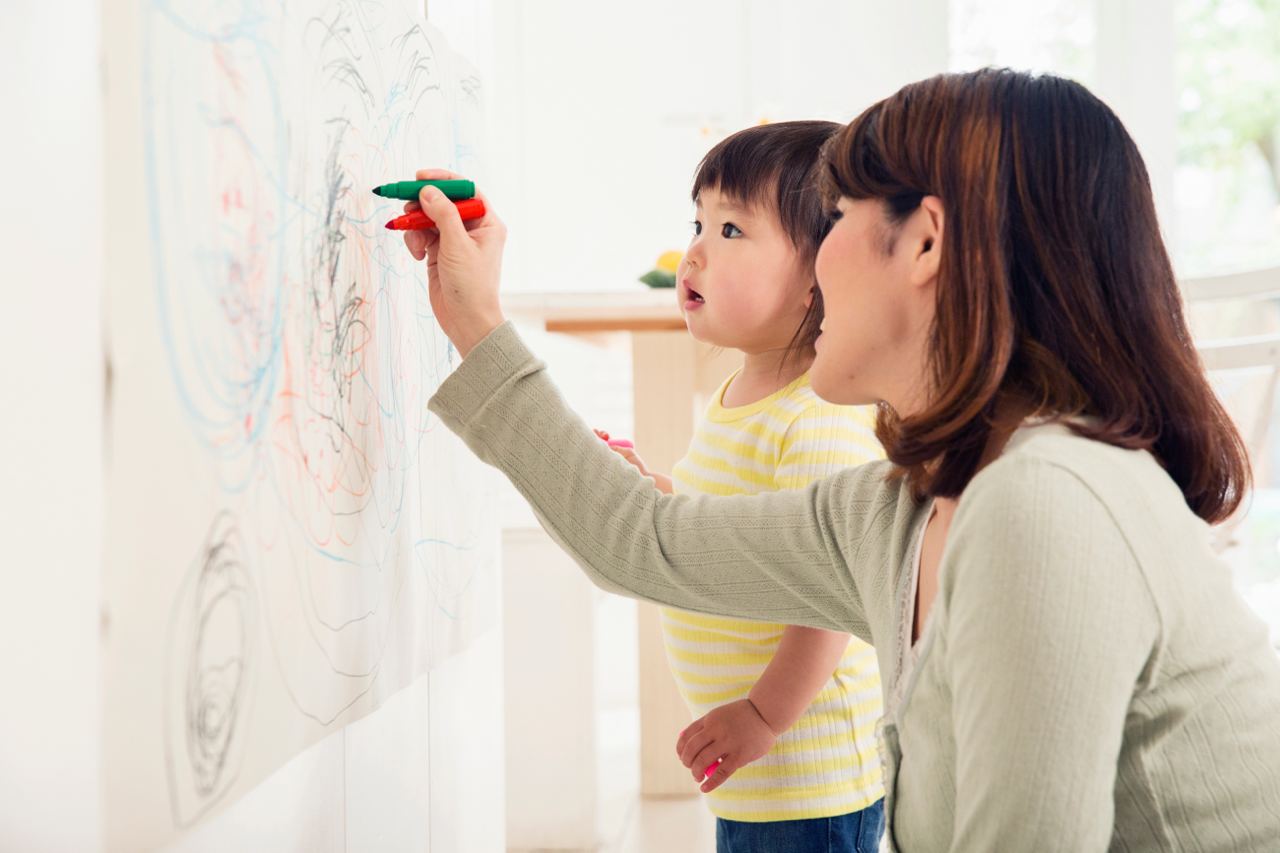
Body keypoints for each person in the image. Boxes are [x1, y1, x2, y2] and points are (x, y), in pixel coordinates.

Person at [406, 69, 1280, 850]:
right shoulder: (896, 507)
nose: (820, 261)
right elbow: (644, 542)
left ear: (924, 244)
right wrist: (476, 325)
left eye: (839, 218)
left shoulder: (1044, 502)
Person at [600, 120, 885, 853]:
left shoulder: (816, 418)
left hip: (809, 776)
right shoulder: (737, 390)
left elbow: (833, 595)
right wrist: (653, 494)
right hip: (764, 776)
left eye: (731, 229)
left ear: (819, 276)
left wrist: (762, 714)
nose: (694, 249)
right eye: (698, 221)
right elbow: (729, 526)